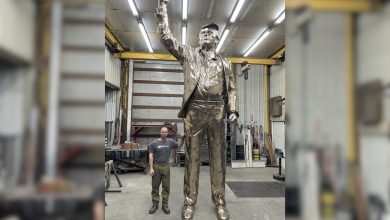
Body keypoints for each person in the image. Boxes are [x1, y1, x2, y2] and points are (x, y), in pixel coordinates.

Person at [155, 1, 239, 219]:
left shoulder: (225, 63)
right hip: (194, 111)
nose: (203, 35)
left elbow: (232, 89)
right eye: (201, 33)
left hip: (218, 111)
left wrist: (234, 110)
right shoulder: (188, 55)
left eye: (208, 33)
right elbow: (166, 39)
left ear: (216, 38)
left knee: (218, 159)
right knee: (192, 158)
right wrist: (162, 10)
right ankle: (189, 202)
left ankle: (220, 202)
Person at [148, 127, 185, 215]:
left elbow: (179, 145)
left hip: (166, 167)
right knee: (155, 187)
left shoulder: (170, 142)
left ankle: (165, 205)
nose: (164, 133)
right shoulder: (154, 143)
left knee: (166, 187)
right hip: (156, 166)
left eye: (165, 132)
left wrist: (182, 139)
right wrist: (151, 168)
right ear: (160, 133)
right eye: (162, 132)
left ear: (167, 133)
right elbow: (151, 155)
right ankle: (155, 204)